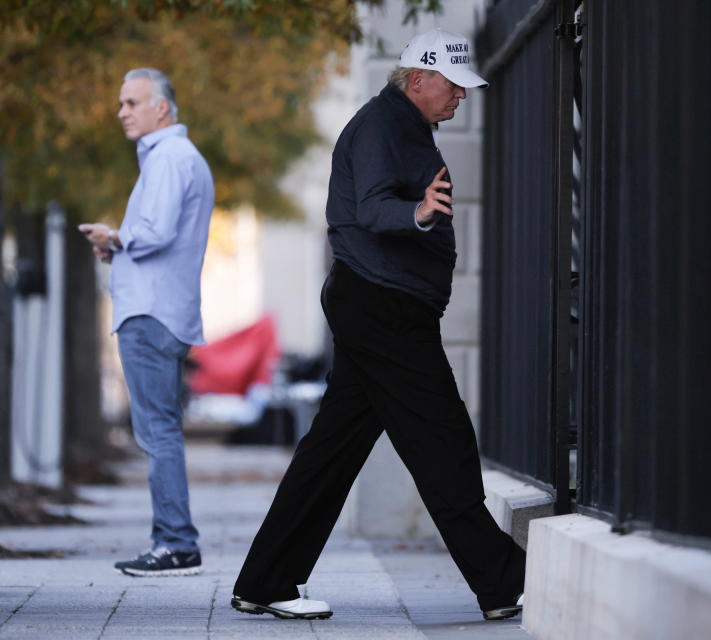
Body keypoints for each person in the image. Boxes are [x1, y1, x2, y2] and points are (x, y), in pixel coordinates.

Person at [230, 29, 526, 621]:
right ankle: (504, 584)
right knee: (441, 440)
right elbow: (369, 206)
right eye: (452, 85)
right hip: (383, 308)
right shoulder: (381, 126)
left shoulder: (404, 126)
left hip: (380, 305)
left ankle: (266, 581)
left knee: (332, 449)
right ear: (418, 78)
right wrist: (415, 213)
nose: (460, 97)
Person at [79, 67, 214, 577]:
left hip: (151, 316)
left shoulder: (169, 158)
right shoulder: (178, 159)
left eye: (132, 103)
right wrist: (121, 250)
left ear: (163, 109)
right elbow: (165, 238)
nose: (122, 112)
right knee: (160, 431)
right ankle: (175, 541)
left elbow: (154, 231)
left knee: (157, 434)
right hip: (162, 312)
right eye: (121, 103)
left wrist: (115, 238)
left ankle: (177, 544)